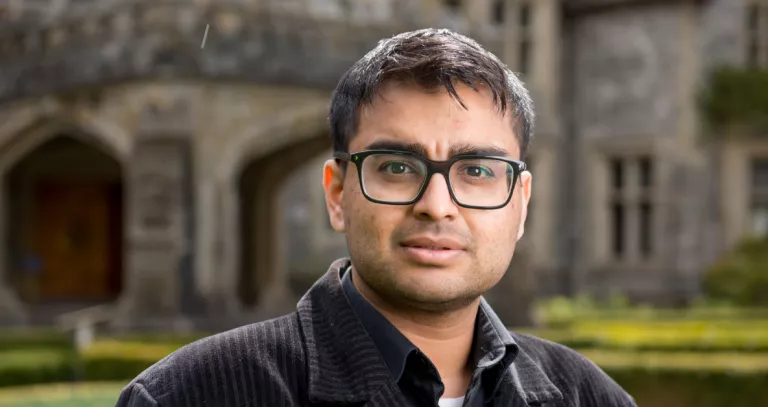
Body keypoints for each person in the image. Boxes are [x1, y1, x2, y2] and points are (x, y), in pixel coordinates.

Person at [116, 28, 637, 407]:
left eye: (477, 170)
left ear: (520, 203)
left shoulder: (587, 396)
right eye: (396, 167)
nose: (436, 204)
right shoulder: (188, 395)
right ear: (338, 193)